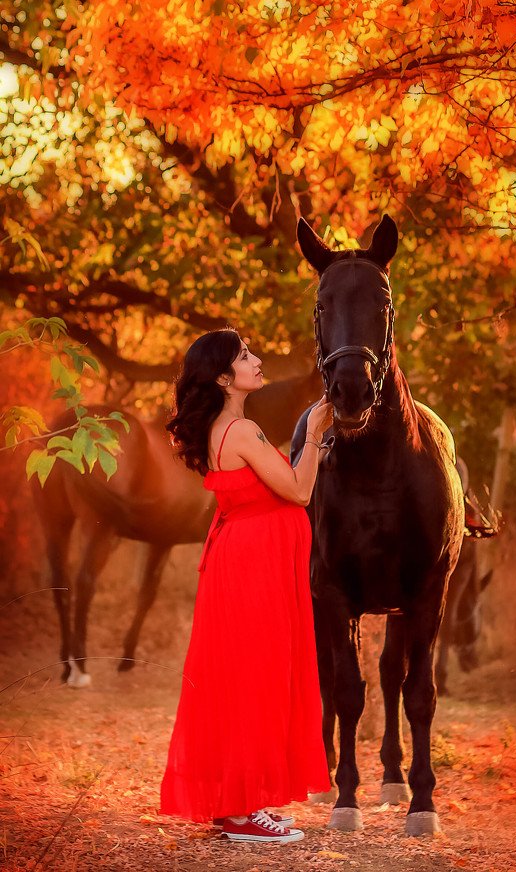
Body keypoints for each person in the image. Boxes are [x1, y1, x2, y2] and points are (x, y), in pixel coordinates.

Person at [160, 329, 333, 844]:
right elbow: (300, 491)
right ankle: (239, 812)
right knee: (255, 678)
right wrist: (318, 431)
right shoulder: (241, 432)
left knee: (244, 677)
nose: (256, 362)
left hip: (246, 561)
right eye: (245, 357)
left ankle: (242, 801)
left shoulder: (228, 427)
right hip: (252, 568)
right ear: (222, 377)